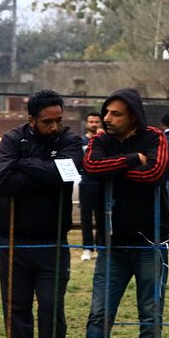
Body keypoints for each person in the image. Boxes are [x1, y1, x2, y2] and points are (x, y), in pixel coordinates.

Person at [58, 88, 169, 338]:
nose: (107, 119)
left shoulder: (155, 137)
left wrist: (115, 170)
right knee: (99, 313)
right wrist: (132, 160)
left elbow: (156, 172)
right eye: (106, 112)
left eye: (115, 114)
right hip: (112, 244)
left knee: (150, 315)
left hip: (151, 242)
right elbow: (91, 166)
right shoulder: (101, 139)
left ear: (133, 116)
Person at [0, 90, 83, 338]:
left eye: (59, 120)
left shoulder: (69, 139)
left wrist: (23, 164)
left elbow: (68, 174)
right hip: (13, 239)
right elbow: (4, 181)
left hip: (52, 241)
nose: (54, 127)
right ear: (31, 119)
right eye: (47, 122)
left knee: (51, 307)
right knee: (16, 308)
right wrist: (47, 169)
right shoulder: (12, 139)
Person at [79, 111, 104, 261]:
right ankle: (87, 248)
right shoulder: (81, 142)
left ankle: (100, 246)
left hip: (101, 183)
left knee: (102, 216)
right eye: (91, 122)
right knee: (86, 217)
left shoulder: (105, 140)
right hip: (86, 183)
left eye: (96, 122)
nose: (94, 124)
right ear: (87, 124)